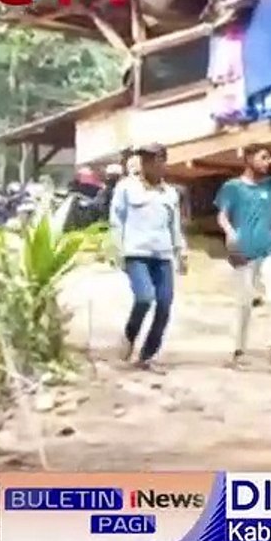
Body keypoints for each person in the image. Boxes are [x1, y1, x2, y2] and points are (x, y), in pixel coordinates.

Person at [215, 146, 271, 374]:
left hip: (267, 250)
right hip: (243, 252)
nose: (267, 162)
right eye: (262, 158)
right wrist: (230, 233)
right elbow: (222, 215)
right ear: (248, 159)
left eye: (269, 158)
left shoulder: (270, 185)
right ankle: (238, 352)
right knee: (244, 304)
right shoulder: (233, 187)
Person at [109, 143, 188, 373]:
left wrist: (181, 251)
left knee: (164, 305)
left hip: (163, 255)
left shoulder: (170, 193)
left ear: (163, 162)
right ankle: (129, 337)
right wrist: (117, 252)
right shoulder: (126, 188)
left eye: (153, 160)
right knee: (144, 298)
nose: (148, 164)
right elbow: (117, 221)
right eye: (144, 160)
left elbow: (174, 226)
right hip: (136, 254)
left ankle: (147, 355)